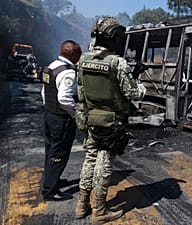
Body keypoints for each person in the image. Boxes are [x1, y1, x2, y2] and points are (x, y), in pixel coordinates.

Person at [74, 16, 146, 224]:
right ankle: (99, 210)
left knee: (89, 160)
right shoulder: (117, 62)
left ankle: (82, 204)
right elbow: (134, 93)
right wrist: (140, 85)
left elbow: (80, 93)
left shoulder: (83, 60)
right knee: (103, 164)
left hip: (90, 119)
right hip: (111, 122)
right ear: (114, 38)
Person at [41, 40, 82, 201]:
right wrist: (75, 113)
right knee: (59, 154)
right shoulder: (68, 72)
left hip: (49, 114)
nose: (79, 57)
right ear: (71, 54)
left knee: (50, 150)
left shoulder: (51, 66)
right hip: (61, 119)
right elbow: (65, 99)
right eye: (78, 54)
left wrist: (49, 108)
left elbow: (44, 92)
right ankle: (50, 191)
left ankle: (51, 180)